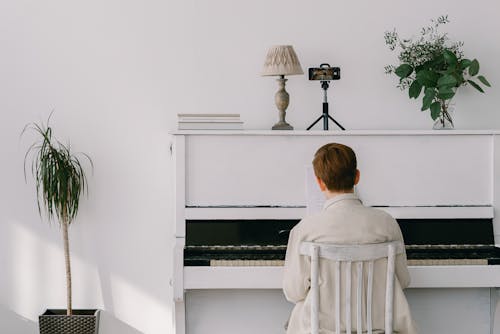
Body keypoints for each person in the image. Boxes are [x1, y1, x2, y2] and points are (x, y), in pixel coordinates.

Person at [283, 143, 417, 334]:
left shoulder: (304, 229)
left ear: (319, 182)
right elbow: (403, 281)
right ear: (357, 177)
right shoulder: (387, 223)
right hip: (379, 328)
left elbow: (293, 292)